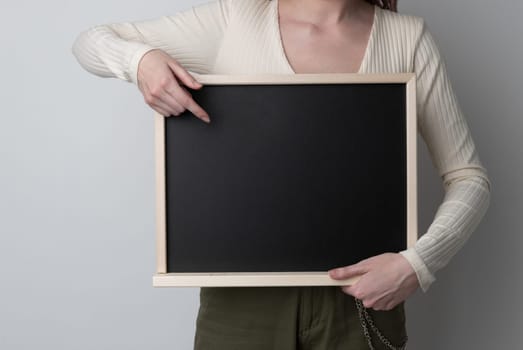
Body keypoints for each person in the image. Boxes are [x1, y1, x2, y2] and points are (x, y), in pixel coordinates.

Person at [71, 0, 491, 348]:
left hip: (361, 302)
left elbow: (468, 177)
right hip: (240, 305)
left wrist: (417, 265)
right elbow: (90, 42)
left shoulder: (408, 38)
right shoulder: (234, 20)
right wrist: (141, 60)